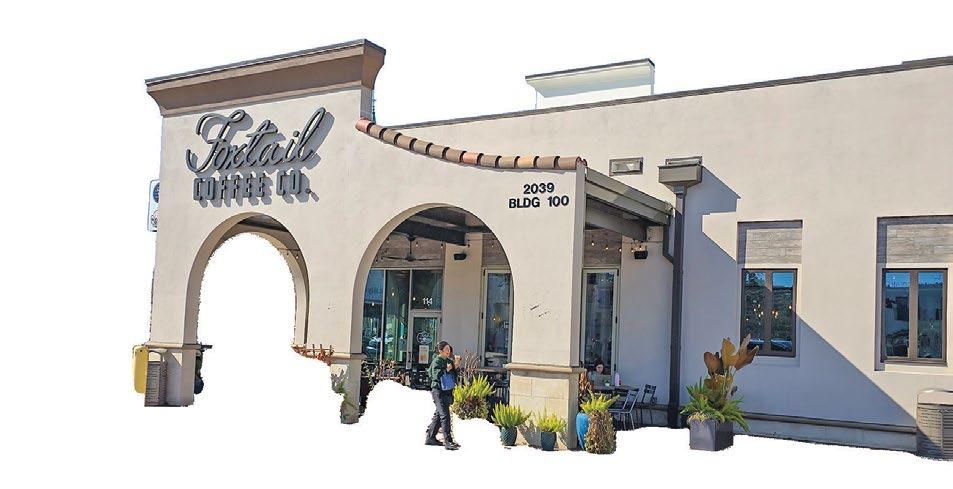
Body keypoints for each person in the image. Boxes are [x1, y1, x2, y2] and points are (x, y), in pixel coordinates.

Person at [425, 341, 460, 450]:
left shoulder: (449, 361)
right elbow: (434, 375)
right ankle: (448, 441)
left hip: (447, 391)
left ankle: (430, 438)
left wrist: (455, 365)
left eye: (449, 349)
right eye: (446, 349)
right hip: (438, 391)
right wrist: (446, 369)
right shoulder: (437, 361)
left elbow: (454, 374)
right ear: (440, 351)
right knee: (444, 415)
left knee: (439, 415)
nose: (449, 351)